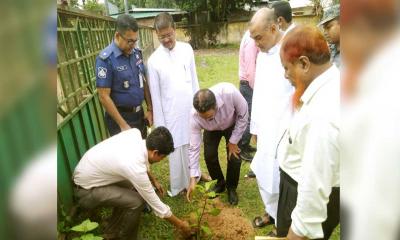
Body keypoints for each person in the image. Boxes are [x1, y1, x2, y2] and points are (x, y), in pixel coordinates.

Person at [73, 127, 194, 240]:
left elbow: (140, 163)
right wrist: (181, 225)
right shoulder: (135, 167)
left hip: (90, 177)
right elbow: (156, 205)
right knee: (136, 201)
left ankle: (112, 230)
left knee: (131, 188)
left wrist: (154, 180)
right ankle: (125, 237)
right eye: (162, 158)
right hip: (85, 191)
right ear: (155, 153)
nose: (161, 161)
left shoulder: (134, 134)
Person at [277, 25, 340, 240]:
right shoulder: (330, 85)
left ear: (304, 63)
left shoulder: (324, 113)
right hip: (297, 186)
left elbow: (314, 187)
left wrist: (295, 233)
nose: (286, 75)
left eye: (287, 68)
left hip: (301, 194)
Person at [248, 7, 294, 232]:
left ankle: (283, 221)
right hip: (266, 126)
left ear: (274, 28)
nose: (256, 43)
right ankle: (271, 212)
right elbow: (258, 93)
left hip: (285, 127)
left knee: (281, 177)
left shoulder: (292, 49)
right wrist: (255, 128)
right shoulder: (262, 55)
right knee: (263, 170)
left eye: (258, 37)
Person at [147, 13, 203, 197]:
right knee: (176, 148)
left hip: (189, 108)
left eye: (169, 35)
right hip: (170, 113)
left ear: (175, 29)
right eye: (162, 37)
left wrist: (198, 106)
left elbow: (194, 80)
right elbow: (155, 95)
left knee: (193, 142)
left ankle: (196, 175)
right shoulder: (153, 61)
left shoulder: (187, 49)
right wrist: (161, 126)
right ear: (156, 35)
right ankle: (179, 185)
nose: (166, 39)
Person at [186, 83, 248, 205]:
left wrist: (233, 141)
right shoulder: (194, 116)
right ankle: (220, 183)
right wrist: (193, 177)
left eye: (208, 117)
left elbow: (243, 115)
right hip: (211, 130)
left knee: (234, 157)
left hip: (232, 124)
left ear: (216, 106)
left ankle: (231, 188)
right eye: (202, 117)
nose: (205, 119)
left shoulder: (230, 93)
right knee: (209, 155)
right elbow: (194, 147)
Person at [95, 14, 153, 137]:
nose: (133, 45)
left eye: (135, 41)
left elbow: (144, 80)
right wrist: (123, 125)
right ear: (117, 35)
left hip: (139, 115)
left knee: (142, 153)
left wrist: (149, 109)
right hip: (120, 119)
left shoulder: (136, 54)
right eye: (129, 41)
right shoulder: (106, 60)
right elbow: (103, 97)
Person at [238, 29, 259, 163]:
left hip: (246, 83)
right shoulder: (252, 40)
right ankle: (242, 148)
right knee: (249, 118)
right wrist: (256, 88)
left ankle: (245, 144)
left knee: (249, 116)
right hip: (249, 84)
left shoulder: (248, 35)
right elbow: (251, 69)